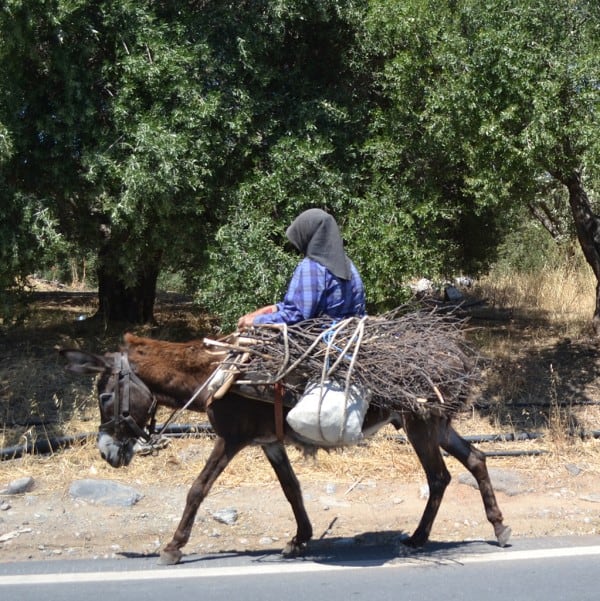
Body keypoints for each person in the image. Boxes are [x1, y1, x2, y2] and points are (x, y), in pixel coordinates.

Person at [237, 208, 366, 330]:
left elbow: (297, 316)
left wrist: (255, 321)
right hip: (346, 337)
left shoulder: (312, 267)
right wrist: (270, 310)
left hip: (319, 342)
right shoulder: (349, 266)